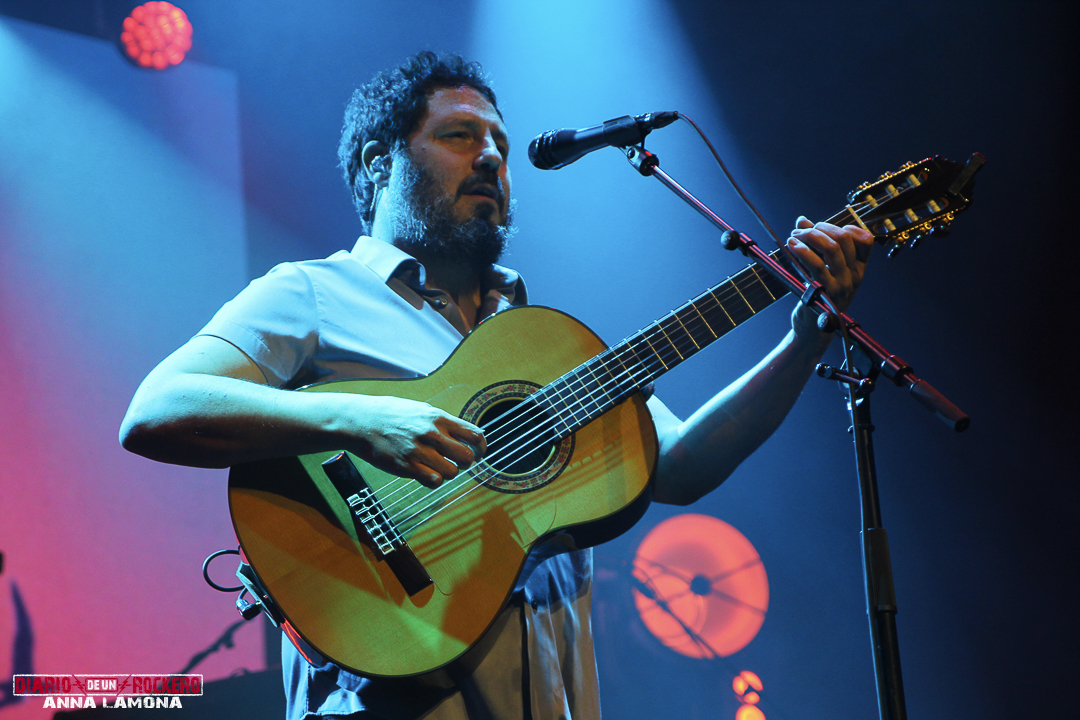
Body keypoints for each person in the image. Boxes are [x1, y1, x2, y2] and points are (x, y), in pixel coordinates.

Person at [120, 51, 872, 719]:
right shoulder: (313, 293)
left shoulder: (540, 337)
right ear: (381, 164)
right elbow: (158, 408)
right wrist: (361, 422)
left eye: (501, 147)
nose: (490, 158)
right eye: (459, 136)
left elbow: (677, 465)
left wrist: (805, 340)